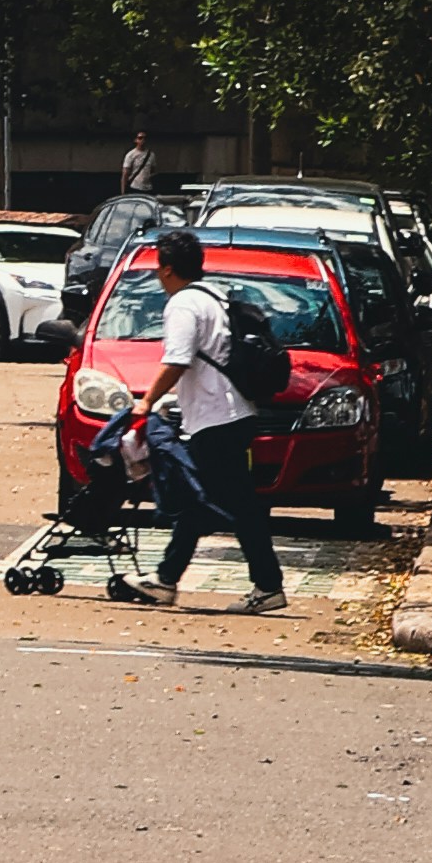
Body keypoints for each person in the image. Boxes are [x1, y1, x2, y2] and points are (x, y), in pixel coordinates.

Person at [141, 225, 285, 613]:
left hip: (215, 418)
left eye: (158, 267)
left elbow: (177, 359)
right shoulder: (215, 296)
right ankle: (166, 579)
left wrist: (147, 401)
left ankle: (269, 586)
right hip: (233, 412)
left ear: (168, 269)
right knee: (199, 498)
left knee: (237, 505)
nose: (157, 275)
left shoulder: (184, 305)